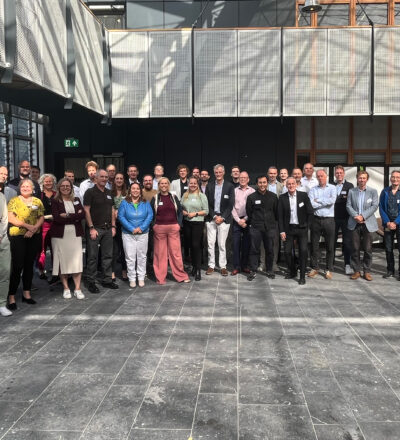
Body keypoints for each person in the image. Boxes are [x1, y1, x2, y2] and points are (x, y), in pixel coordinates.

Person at [7, 179, 44, 310]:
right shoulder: (14, 201)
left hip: (34, 236)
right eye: (23, 186)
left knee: (29, 265)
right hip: (18, 236)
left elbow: (41, 217)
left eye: (28, 186)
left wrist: (33, 229)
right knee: (17, 266)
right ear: (19, 188)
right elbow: (11, 218)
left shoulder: (37, 201)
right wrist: (28, 226)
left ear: (32, 188)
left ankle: (26, 294)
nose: (26, 188)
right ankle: (11, 296)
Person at [83, 169, 118, 293]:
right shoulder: (90, 192)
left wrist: (113, 226)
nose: (104, 179)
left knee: (107, 256)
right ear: (96, 178)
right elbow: (86, 210)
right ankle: (91, 281)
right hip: (95, 229)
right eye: (102, 177)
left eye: (106, 177)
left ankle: (107, 280)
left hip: (108, 229)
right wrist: (91, 228)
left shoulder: (109, 192)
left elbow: (112, 210)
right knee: (92, 257)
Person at [50, 178, 85, 299]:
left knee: (77, 261)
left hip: (75, 235)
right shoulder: (55, 201)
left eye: (68, 186)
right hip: (60, 236)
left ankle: (77, 288)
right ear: (59, 188)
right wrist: (75, 216)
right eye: (63, 186)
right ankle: (66, 288)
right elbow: (57, 218)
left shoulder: (76, 200)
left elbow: (82, 215)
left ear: (71, 187)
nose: (65, 188)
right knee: (62, 261)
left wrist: (68, 215)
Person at [150, 177, 190, 284]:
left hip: (173, 228)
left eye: (165, 183)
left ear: (168, 185)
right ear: (159, 185)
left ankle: (181, 276)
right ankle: (160, 278)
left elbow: (180, 211)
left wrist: (179, 224)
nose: (164, 185)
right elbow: (151, 213)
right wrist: (154, 225)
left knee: (176, 254)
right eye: (161, 183)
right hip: (159, 229)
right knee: (160, 254)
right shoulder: (155, 198)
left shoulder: (173, 197)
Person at [278, 177, 314, 285]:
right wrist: (282, 231)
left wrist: (307, 226)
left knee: (303, 251)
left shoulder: (303, 195)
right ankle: (292, 271)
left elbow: (310, 212)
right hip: (288, 229)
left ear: (296, 184)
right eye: (289, 184)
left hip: (301, 228)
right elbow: (280, 216)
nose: (291, 185)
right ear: (286, 186)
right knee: (287, 252)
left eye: (293, 183)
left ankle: (302, 276)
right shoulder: (282, 198)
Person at [118, 182, 153, 287]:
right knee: (130, 257)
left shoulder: (145, 202)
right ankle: (132, 278)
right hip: (128, 234)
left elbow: (150, 215)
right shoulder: (124, 203)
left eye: (137, 188)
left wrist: (141, 228)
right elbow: (121, 217)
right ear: (130, 190)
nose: (135, 190)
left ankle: (141, 277)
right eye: (133, 188)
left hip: (143, 234)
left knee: (142, 256)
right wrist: (131, 229)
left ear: (140, 191)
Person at [347, 170, 379, 281]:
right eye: (360, 178)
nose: (362, 180)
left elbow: (375, 206)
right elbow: (348, 206)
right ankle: (356, 270)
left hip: (367, 223)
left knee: (368, 248)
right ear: (357, 179)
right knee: (355, 248)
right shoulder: (352, 191)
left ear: (367, 179)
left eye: (364, 178)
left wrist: (363, 216)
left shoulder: (373, 191)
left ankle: (367, 271)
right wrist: (356, 216)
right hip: (354, 222)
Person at [246, 175, 278, 280]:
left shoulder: (273, 196)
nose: (262, 185)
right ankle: (253, 270)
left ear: (267, 183)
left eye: (264, 182)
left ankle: (269, 270)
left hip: (270, 227)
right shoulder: (251, 197)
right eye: (260, 182)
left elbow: (276, 212)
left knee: (270, 249)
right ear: (257, 184)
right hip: (256, 227)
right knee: (254, 249)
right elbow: (249, 212)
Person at [205, 164, 235, 276]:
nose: (218, 174)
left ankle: (223, 266)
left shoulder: (229, 186)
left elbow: (231, 204)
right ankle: (211, 265)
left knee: (222, 244)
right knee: (210, 243)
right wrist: (214, 216)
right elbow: (207, 203)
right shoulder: (209, 186)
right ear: (214, 173)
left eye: (220, 172)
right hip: (211, 218)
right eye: (216, 172)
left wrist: (222, 217)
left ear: (224, 172)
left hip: (224, 219)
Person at [307, 170, 337, 280]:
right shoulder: (313, 189)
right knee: (314, 245)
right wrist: (324, 202)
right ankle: (314, 267)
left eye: (322, 176)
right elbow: (312, 204)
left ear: (326, 176)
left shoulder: (332, 188)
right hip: (316, 219)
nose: (320, 178)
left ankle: (328, 269)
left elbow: (332, 201)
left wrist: (318, 200)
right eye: (318, 176)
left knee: (330, 246)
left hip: (329, 220)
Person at [181, 176, 209, 281]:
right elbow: (180, 207)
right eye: (191, 183)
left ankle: (198, 269)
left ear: (197, 184)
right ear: (188, 184)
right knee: (190, 245)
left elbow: (206, 211)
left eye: (194, 183)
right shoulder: (185, 195)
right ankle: (193, 266)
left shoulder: (202, 196)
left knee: (196, 245)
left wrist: (195, 213)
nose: (192, 185)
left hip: (198, 223)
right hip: (187, 222)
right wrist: (183, 212)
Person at [231, 171, 255, 275]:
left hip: (247, 220)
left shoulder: (253, 191)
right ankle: (236, 266)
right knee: (236, 244)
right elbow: (231, 206)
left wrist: (245, 219)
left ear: (248, 179)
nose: (243, 179)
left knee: (246, 244)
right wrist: (238, 220)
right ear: (238, 179)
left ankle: (244, 265)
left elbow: (253, 208)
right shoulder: (234, 191)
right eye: (241, 177)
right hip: (236, 220)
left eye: (245, 177)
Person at [379, 170, 400, 279]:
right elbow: (381, 207)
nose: (395, 179)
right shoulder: (385, 191)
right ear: (390, 178)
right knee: (388, 248)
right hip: (388, 224)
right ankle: (390, 270)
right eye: (393, 177)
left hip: (399, 223)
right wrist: (387, 222)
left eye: (397, 177)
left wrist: (396, 222)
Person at [334, 165, 354, 275]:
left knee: (347, 242)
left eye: (340, 173)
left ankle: (347, 264)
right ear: (335, 174)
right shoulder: (331, 185)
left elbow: (351, 201)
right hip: (333, 218)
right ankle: (331, 263)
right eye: (337, 173)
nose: (339, 175)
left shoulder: (349, 186)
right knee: (332, 241)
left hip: (346, 218)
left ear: (344, 174)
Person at [37, 173, 57, 279]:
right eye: (46, 181)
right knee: (42, 248)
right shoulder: (39, 195)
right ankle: (41, 270)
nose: (48, 183)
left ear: (53, 182)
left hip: (55, 224)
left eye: (50, 181)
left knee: (55, 248)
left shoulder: (57, 194)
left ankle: (55, 270)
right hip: (43, 224)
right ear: (42, 183)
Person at [267, 166, 284, 271]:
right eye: (270, 173)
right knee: (265, 241)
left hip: (276, 217)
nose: (272, 175)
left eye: (274, 173)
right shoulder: (264, 184)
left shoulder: (282, 186)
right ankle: (264, 263)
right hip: (266, 217)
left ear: (277, 174)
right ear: (268, 174)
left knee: (275, 242)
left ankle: (274, 263)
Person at [111, 173, 128, 282]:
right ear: (114, 180)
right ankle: (112, 272)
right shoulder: (110, 193)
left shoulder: (127, 193)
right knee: (114, 249)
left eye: (121, 178)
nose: (119, 180)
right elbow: (109, 206)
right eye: (117, 178)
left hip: (125, 223)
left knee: (125, 248)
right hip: (114, 223)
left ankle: (124, 271)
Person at [0, 192, 12, 316]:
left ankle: (2, 304)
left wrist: (1, 234)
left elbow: (4, 218)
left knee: (4, 272)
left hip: (2, 239)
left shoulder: (1, 196)